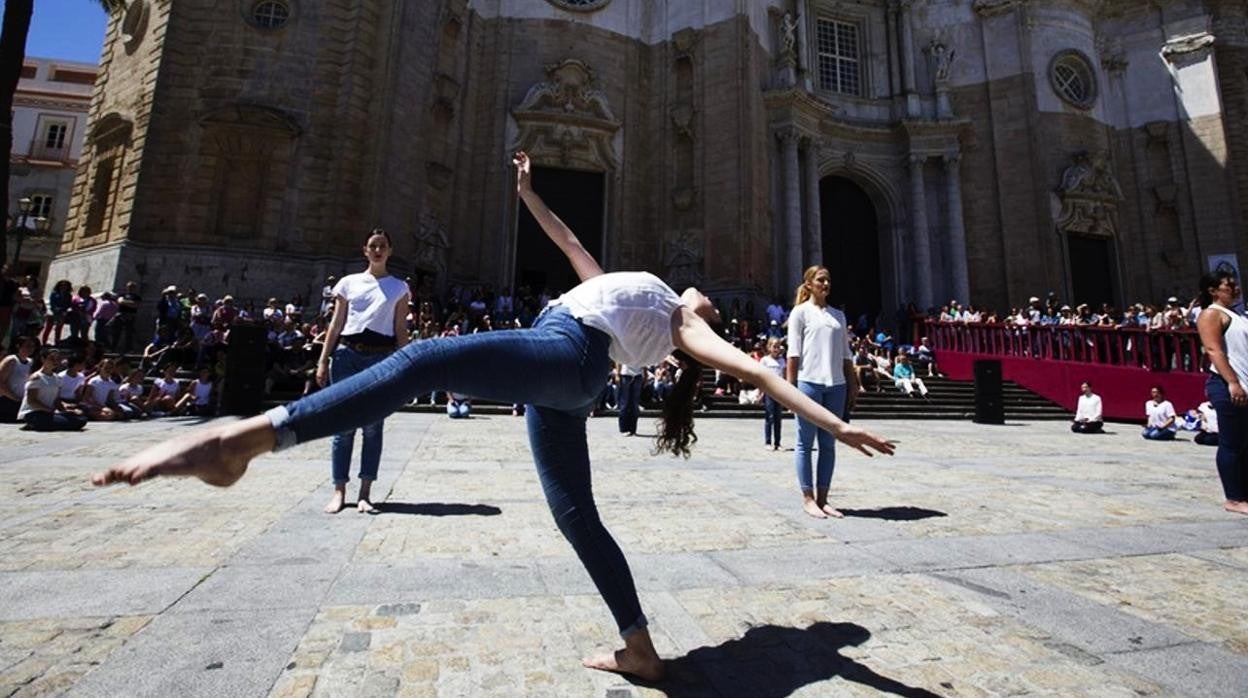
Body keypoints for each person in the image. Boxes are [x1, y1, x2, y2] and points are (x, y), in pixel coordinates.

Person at [91, 151, 893, 683]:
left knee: (420, 361)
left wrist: (834, 426)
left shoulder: (684, 323)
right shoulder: (635, 286)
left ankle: (246, 441)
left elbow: (758, 370)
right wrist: (526, 193)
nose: (708, 294)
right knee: (577, 519)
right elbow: (570, 241)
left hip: (567, 354)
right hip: (567, 381)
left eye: (710, 303)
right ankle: (642, 651)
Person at [316, 228, 411, 515]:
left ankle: (365, 493)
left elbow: (400, 329)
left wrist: (408, 366)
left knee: (373, 427)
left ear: (390, 251)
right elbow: (336, 324)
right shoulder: (348, 283)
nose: (377, 250)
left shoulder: (399, 287)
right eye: (373, 246)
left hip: (380, 357)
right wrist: (323, 360)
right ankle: (339, 491)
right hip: (347, 355)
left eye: (382, 246)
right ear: (365, 250)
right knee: (343, 427)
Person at [786, 265, 859, 519]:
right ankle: (808, 498)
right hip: (808, 383)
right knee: (805, 443)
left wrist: (853, 383)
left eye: (828, 280)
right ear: (809, 284)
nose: (825, 284)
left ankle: (824, 499)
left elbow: (846, 355)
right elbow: (793, 353)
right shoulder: (800, 313)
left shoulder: (838, 315)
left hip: (836, 385)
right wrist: (789, 389)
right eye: (820, 280)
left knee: (828, 444)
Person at [1196, 270, 1248, 514]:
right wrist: (1232, 382)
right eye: (1229, 285)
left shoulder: (1238, 315)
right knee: (1232, 442)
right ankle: (1234, 498)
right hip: (1227, 384)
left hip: (1243, 381)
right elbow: (1213, 350)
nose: (1236, 288)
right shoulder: (1212, 314)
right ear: (1213, 290)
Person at [18, 346, 86, 431]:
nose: (55, 361)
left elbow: (56, 400)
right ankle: (34, 424)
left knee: (81, 419)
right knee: (70, 423)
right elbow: (31, 401)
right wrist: (50, 410)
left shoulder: (57, 379)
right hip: (33, 413)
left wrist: (66, 410)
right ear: (43, 359)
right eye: (52, 359)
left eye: (57, 359)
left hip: (48, 413)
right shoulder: (36, 377)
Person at [0, 336, 37, 422]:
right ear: (18, 346)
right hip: (7, 400)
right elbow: (0, 383)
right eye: (27, 346)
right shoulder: (11, 360)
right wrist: (15, 398)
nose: (31, 349)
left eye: (32, 346)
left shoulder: (30, 362)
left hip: (20, 401)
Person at [760, 338, 785, 450]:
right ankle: (768, 442)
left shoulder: (782, 361)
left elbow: (784, 376)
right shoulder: (765, 360)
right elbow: (761, 376)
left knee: (778, 418)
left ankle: (777, 442)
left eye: (778, 347)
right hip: (769, 390)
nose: (776, 349)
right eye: (774, 346)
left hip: (779, 391)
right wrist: (761, 391)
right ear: (769, 347)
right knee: (769, 417)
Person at [616, 363, 642, 436]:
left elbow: (644, 360)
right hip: (625, 374)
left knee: (635, 404)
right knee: (624, 403)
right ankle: (624, 429)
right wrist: (617, 374)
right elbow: (618, 359)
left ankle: (633, 429)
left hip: (638, 374)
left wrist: (645, 373)